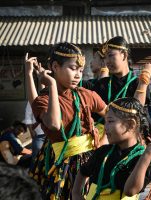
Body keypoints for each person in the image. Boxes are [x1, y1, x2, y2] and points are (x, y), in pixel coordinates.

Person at [25, 42, 107, 199]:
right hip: (61, 164)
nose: (78, 75)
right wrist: (49, 84)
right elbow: (54, 124)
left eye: (81, 70)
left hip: (90, 162)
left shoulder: (85, 94)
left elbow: (112, 116)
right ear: (55, 67)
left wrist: (104, 140)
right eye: (73, 68)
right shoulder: (44, 99)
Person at [72, 97, 151, 200]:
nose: (105, 127)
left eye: (110, 121)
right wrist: (76, 194)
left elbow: (130, 191)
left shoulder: (142, 160)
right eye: (105, 122)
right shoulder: (102, 152)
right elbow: (83, 172)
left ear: (131, 124)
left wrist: (147, 156)